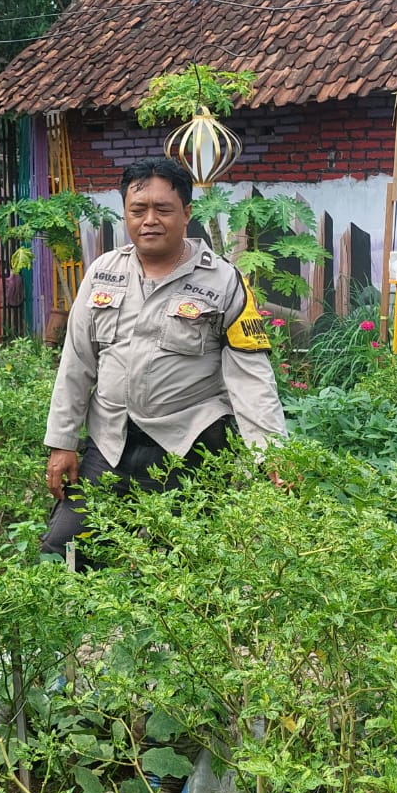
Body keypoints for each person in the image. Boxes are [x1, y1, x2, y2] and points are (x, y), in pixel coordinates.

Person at [40, 157, 287, 561]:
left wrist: (271, 453)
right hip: (112, 439)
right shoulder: (104, 272)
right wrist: (62, 442)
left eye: (163, 209)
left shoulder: (223, 281)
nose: (149, 220)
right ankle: (88, 624)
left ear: (187, 213)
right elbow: (76, 363)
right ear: (126, 213)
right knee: (65, 552)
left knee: (178, 565)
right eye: (138, 210)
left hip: (187, 444)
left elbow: (251, 376)